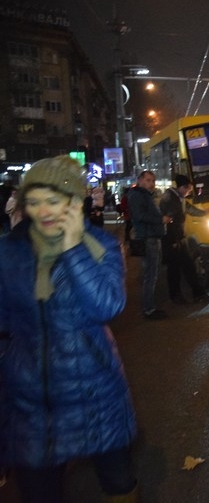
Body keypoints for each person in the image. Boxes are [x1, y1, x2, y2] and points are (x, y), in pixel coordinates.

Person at [0, 156, 138, 503]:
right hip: (31, 396)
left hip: (93, 389)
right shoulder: (9, 252)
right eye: (34, 202)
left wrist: (73, 247)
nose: (43, 211)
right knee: (38, 492)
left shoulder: (99, 246)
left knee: (119, 483)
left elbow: (107, 306)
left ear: (75, 203)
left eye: (53, 201)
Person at [159, 174, 209, 304]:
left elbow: (189, 209)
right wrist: (173, 241)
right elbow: (169, 221)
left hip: (178, 238)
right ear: (182, 187)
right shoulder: (171, 199)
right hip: (172, 239)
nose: (189, 192)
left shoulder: (178, 197)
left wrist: (204, 212)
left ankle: (196, 293)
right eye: (188, 189)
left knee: (186, 266)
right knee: (175, 269)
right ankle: (179, 296)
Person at [128, 170, 171, 320]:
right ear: (140, 180)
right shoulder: (137, 195)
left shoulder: (145, 195)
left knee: (152, 273)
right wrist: (160, 220)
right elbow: (139, 216)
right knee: (150, 275)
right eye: (148, 180)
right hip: (148, 238)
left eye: (153, 180)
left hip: (152, 237)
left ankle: (150, 307)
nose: (151, 183)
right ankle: (149, 309)